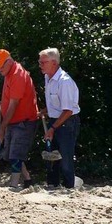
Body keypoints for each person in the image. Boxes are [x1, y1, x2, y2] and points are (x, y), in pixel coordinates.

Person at [0, 49, 38, 189]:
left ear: (9, 61)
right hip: (14, 120)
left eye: (1, 66)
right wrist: (3, 104)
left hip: (23, 121)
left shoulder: (17, 75)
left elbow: (14, 104)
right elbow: (11, 98)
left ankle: (14, 185)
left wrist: (2, 128)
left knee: (15, 154)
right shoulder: (8, 72)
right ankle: (28, 179)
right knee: (12, 152)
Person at [38, 48, 80, 188]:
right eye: (40, 62)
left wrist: (53, 128)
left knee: (65, 157)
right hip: (55, 121)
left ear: (54, 63)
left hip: (67, 122)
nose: (40, 65)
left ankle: (69, 187)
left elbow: (67, 110)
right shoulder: (47, 77)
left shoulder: (64, 82)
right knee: (51, 155)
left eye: (43, 62)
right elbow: (56, 103)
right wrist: (44, 111)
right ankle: (53, 185)